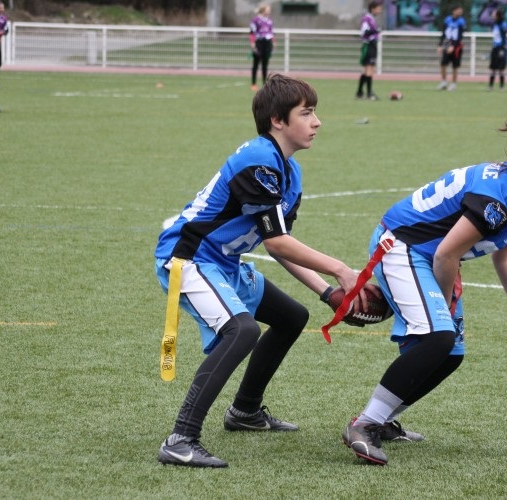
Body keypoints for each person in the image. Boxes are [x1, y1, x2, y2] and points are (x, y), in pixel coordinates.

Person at [339, 96, 507, 466]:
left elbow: (506, 256)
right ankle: (365, 425)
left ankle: (383, 420)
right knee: (439, 337)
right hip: (403, 246)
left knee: (450, 354)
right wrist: (444, 298)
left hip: (427, 253)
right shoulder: (499, 198)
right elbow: (445, 255)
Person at [154, 74, 363, 468]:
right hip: (190, 257)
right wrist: (340, 270)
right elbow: (278, 243)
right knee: (243, 330)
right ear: (277, 121)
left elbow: (279, 243)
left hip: (223, 262)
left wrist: (327, 294)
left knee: (291, 317)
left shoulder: (291, 172)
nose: (317, 122)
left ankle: (245, 411)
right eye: (307, 112)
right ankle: (181, 438)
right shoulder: (258, 159)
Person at [356, 0, 384, 100]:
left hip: (372, 45)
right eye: (378, 9)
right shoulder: (367, 19)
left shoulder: (371, 19)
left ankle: (359, 92)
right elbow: (364, 32)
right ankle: (369, 93)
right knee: (369, 69)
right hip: (369, 45)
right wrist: (376, 31)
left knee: (369, 69)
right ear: (372, 9)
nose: (380, 11)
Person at [437, 5, 466, 91]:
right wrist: (440, 45)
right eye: (458, 10)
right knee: (443, 64)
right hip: (447, 42)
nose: (460, 11)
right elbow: (444, 33)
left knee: (455, 66)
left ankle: (453, 83)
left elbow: (460, 36)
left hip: (456, 45)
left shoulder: (461, 21)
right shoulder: (448, 20)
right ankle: (444, 82)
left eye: (461, 10)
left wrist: (453, 46)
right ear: (454, 11)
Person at [249, 4, 275, 91]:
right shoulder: (255, 20)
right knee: (255, 64)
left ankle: (265, 84)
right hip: (259, 43)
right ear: (263, 10)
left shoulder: (269, 21)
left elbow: (271, 32)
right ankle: (253, 84)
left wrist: (273, 42)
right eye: (268, 9)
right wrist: (253, 43)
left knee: (265, 64)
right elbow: (252, 32)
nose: (269, 11)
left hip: (267, 44)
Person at [487, 8, 507, 91]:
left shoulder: (503, 24)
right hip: (495, 48)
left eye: (494, 14)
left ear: (497, 15)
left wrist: (502, 48)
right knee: (493, 67)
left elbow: (504, 37)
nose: (492, 15)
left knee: (501, 68)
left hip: (501, 48)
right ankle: (490, 86)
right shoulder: (495, 24)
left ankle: (502, 86)